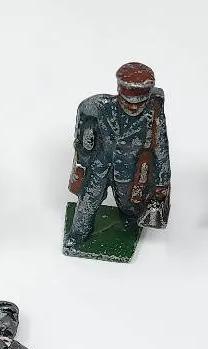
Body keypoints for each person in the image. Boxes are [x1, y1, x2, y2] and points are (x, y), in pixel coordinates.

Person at [66, 62, 170, 248]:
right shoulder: (101, 105)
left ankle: (128, 229)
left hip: (130, 172)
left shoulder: (153, 118)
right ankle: (78, 235)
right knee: (88, 201)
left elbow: (161, 152)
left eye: (139, 103)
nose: (133, 108)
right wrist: (84, 136)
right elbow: (82, 110)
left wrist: (162, 184)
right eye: (127, 102)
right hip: (100, 165)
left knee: (129, 208)